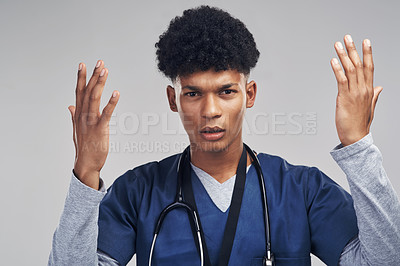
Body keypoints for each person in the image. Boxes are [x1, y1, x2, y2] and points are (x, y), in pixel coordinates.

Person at [48, 5, 400, 266]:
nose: (210, 110)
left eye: (226, 91)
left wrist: (358, 147)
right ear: (173, 100)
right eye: (193, 93)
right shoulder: (138, 193)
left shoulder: (302, 190)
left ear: (249, 94)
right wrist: (86, 173)